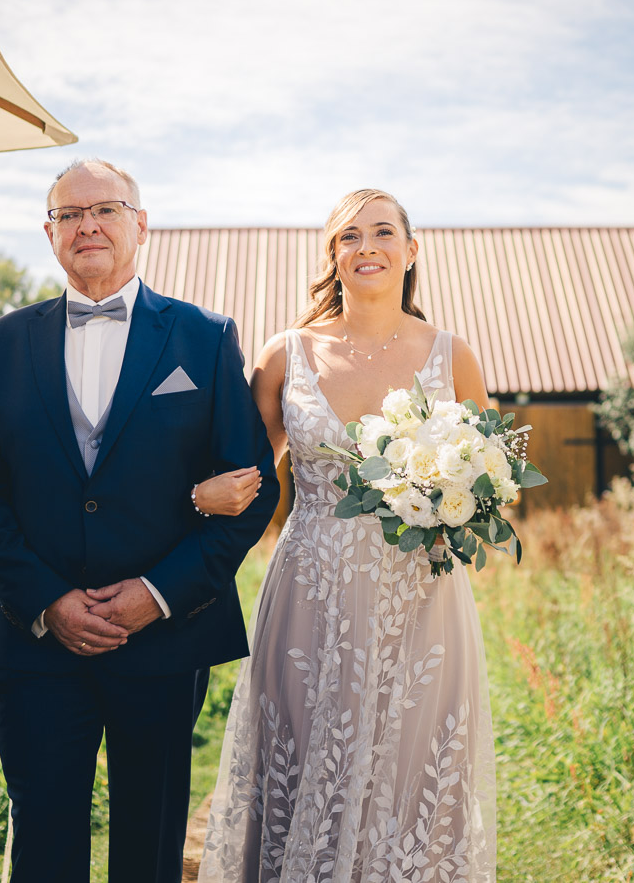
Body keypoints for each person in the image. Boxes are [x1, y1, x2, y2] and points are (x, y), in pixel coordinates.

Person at [0, 158, 279, 883]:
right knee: (43, 844)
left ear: (141, 225)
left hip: (164, 639)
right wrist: (47, 601)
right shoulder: (0, 343)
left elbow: (253, 488)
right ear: (49, 233)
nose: (87, 225)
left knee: (149, 848)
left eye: (105, 210)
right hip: (39, 644)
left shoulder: (204, 336)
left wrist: (157, 594)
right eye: (69, 214)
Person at [197, 189, 498, 882]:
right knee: (306, 762)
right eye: (349, 236)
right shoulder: (287, 355)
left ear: (411, 251)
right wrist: (195, 497)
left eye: (383, 232)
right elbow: (243, 476)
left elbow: (487, 477)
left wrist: (453, 505)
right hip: (311, 593)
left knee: (414, 774)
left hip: (420, 602)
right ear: (332, 255)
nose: (367, 247)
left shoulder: (452, 355)